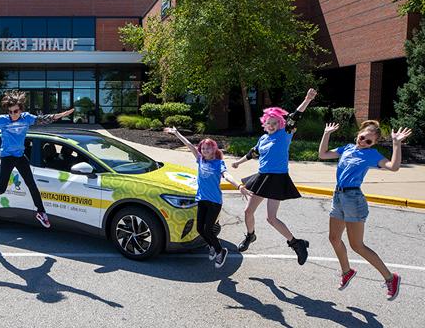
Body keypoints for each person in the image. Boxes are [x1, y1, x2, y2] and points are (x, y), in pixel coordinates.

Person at [318, 120, 411, 300]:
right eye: (362, 138)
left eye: (369, 141)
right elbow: (322, 154)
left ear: (373, 144)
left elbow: (394, 167)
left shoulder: (372, 155)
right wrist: (327, 133)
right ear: (358, 134)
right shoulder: (346, 148)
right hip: (338, 196)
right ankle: (347, 271)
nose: (364, 142)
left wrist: (396, 144)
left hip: (354, 200)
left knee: (357, 245)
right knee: (334, 238)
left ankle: (391, 278)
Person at [0, 90, 74, 228]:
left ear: (21, 110)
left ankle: (41, 212)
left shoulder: (26, 118)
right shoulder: (3, 120)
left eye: (16, 111)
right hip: (7, 156)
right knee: (2, 189)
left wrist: (59, 115)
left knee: (32, 184)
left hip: (20, 156)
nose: (13, 115)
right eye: (11, 112)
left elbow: (42, 119)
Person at [231, 88, 317, 265]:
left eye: (274, 123)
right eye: (268, 123)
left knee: (271, 218)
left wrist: (307, 99)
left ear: (280, 123)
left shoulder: (285, 134)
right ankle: (250, 236)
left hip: (277, 179)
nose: (271, 126)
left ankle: (296, 244)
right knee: (248, 211)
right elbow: (253, 153)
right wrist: (238, 163)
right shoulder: (263, 139)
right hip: (262, 178)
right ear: (264, 124)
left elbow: (295, 116)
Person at [165, 127, 253, 268]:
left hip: (214, 202)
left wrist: (239, 186)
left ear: (214, 150)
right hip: (202, 199)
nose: (205, 151)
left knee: (207, 230)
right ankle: (213, 245)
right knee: (200, 228)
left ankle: (220, 251)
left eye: (208, 148)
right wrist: (176, 133)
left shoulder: (219, 163)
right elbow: (188, 144)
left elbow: (227, 176)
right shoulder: (200, 160)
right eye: (203, 148)